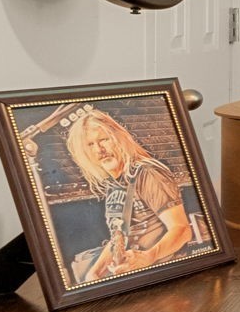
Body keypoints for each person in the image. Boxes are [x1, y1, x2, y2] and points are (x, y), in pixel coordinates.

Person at [64, 108, 199, 284]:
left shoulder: (147, 173)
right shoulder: (115, 183)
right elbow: (119, 237)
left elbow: (182, 230)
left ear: (118, 138)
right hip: (133, 273)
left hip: (164, 274)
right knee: (80, 266)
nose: (99, 150)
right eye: (90, 145)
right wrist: (94, 272)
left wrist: (149, 257)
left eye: (103, 140)